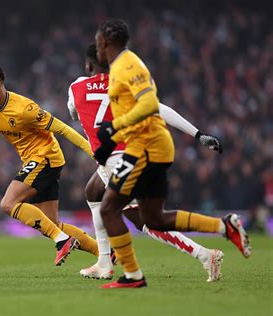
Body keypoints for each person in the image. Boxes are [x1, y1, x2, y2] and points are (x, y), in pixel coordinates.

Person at [93, 19, 250, 288]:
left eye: (97, 41)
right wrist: (113, 139)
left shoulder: (128, 65)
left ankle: (132, 275)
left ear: (105, 41)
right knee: (154, 218)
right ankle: (225, 226)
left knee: (108, 208)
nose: (95, 47)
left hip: (146, 148)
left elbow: (151, 104)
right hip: (145, 145)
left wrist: (114, 127)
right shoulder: (121, 66)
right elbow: (138, 113)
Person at [68, 43, 224, 282]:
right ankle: (103, 262)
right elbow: (159, 109)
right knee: (93, 192)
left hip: (118, 161)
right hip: (129, 155)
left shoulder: (76, 86)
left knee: (146, 220)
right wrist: (197, 134)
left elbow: (73, 111)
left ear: (88, 64)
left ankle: (204, 254)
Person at [0, 64, 98, 266]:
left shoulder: (25, 109)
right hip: (37, 160)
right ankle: (104, 253)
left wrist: (92, 150)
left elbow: (64, 129)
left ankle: (63, 241)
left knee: (7, 204)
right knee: (52, 224)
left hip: (45, 157)